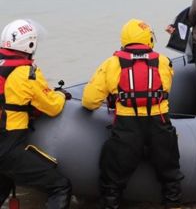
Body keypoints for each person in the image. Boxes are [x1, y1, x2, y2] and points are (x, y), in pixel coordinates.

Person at [83, 19, 183, 208]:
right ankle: (173, 204)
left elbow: (89, 100)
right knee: (170, 173)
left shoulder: (112, 63)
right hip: (159, 122)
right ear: (149, 39)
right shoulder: (163, 61)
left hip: (127, 125)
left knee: (112, 178)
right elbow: (166, 88)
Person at [0, 19, 72, 208]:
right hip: (6, 148)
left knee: (4, 183)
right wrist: (60, 95)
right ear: (30, 43)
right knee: (60, 186)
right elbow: (52, 106)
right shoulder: (25, 72)